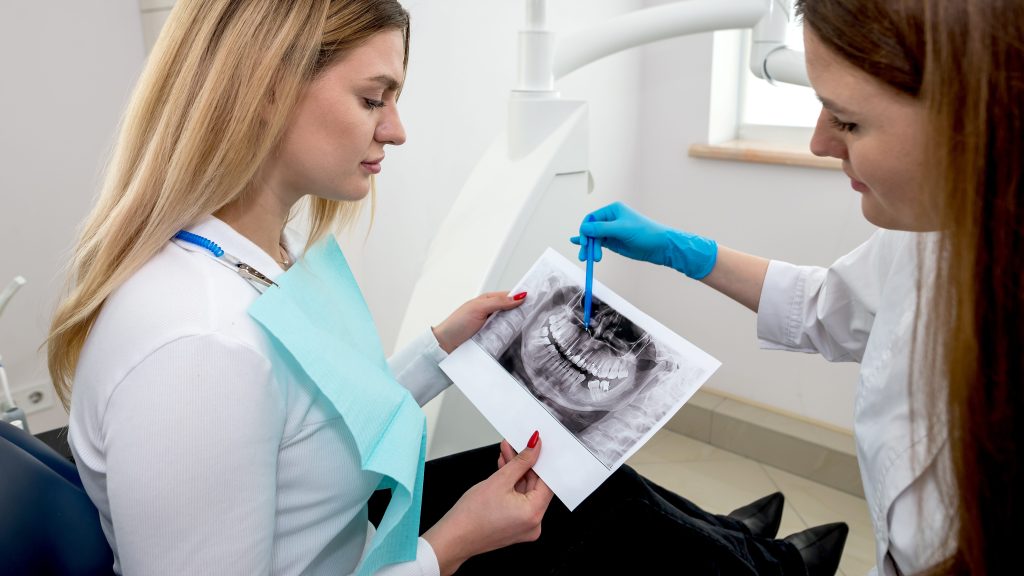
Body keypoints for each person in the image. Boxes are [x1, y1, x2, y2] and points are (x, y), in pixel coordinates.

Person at [47, 1, 846, 575]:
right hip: (382, 555)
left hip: (351, 534)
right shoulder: (197, 351)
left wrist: (437, 350)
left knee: (581, 476)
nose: (395, 129)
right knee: (572, 516)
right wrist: (450, 544)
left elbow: (302, 421)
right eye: (373, 98)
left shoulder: (243, 257)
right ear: (263, 87)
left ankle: (741, 550)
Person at [573, 0, 1022, 573]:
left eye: (848, 121)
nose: (819, 143)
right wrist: (683, 252)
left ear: (981, 119)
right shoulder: (931, 231)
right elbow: (828, 304)